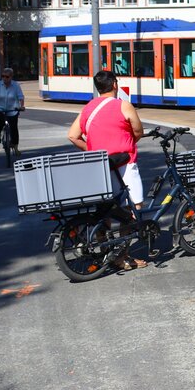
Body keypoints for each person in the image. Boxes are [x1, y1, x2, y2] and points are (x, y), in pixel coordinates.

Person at [66, 69, 147, 270]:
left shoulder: (87, 109)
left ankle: (106, 251)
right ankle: (122, 257)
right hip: (124, 164)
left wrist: (95, 151)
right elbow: (139, 131)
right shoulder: (123, 106)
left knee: (106, 209)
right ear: (114, 85)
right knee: (133, 209)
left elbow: (72, 136)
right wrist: (128, 142)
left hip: (100, 166)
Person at [0, 68, 25, 156]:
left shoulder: (16, 85)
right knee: (0, 121)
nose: (4, 78)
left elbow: (20, 97)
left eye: (7, 77)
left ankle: (15, 147)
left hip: (13, 109)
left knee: (14, 128)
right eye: (3, 76)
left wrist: (21, 106)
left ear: (11, 77)